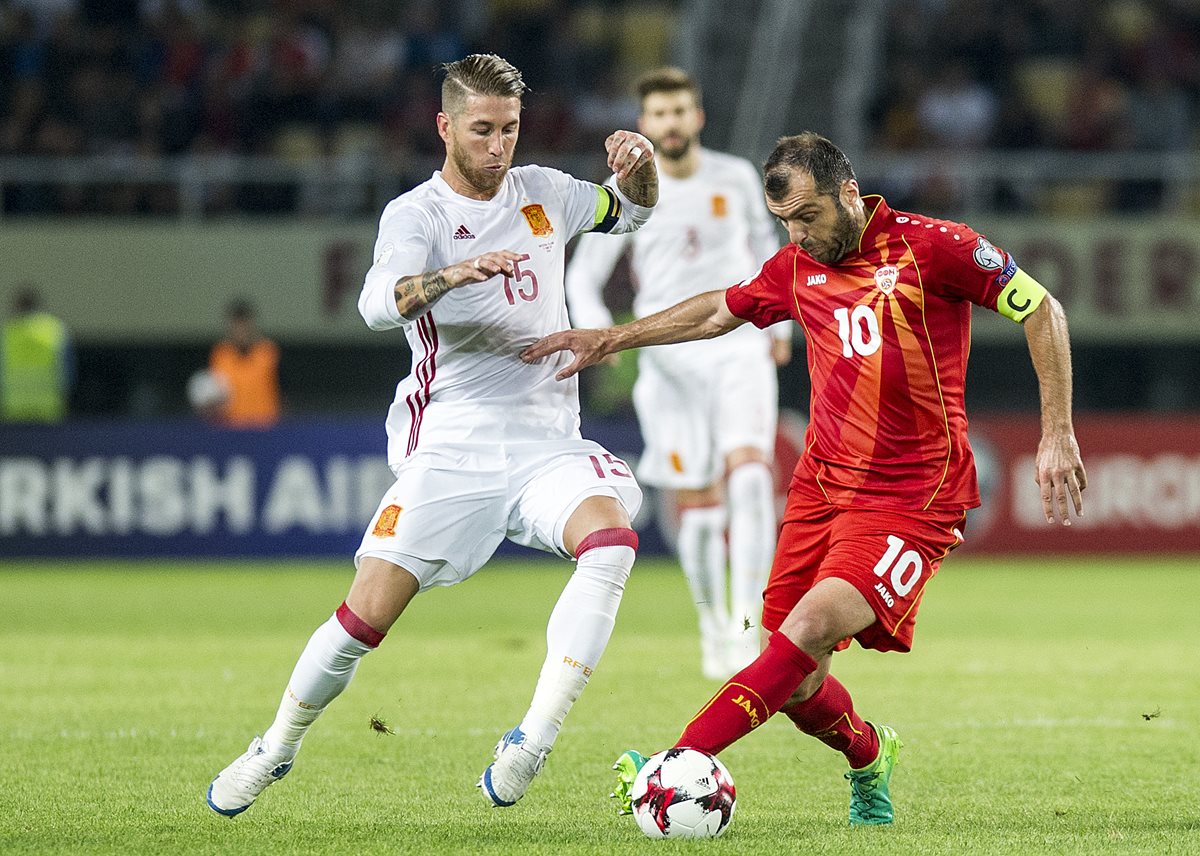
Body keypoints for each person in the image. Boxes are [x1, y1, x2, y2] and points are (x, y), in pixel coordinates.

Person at [522, 131, 1086, 826]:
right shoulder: (796, 267)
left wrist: (1056, 432)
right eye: (786, 222)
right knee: (793, 676)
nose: (799, 234)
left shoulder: (933, 246)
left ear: (849, 192)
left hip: (914, 497)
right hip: (822, 491)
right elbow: (717, 310)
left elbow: (1042, 309)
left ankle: (674, 762)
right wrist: (612, 336)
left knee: (811, 625)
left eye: (809, 217)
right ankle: (870, 753)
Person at [206, 53, 658, 816]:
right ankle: (275, 746)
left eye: (510, 128)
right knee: (360, 621)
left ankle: (531, 743)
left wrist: (640, 168)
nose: (498, 146)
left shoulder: (546, 191)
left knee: (611, 544)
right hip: (453, 445)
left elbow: (632, 210)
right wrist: (455, 274)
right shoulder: (415, 215)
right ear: (445, 126)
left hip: (548, 440)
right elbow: (378, 303)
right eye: (483, 129)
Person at [565, 67, 791, 680]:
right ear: (644, 125)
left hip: (738, 341)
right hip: (668, 356)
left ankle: (750, 624)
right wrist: (597, 332)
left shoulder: (737, 176)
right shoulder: (627, 190)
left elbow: (768, 250)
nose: (670, 123)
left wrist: (778, 327)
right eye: (658, 114)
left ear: (697, 118)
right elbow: (584, 274)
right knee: (698, 497)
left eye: (679, 111)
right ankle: (713, 624)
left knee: (749, 477)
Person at [1, 286, 73, 423]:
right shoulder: (55, 330)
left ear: (17, 307)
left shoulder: (6, 334)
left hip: (13, 410)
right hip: (49, 410)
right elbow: (68, 373)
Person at [207, 298, 281, 427]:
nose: (241, 331)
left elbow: (284, 390)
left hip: (265, 427)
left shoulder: (268, 352)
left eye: (244, 325)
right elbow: (213, 394)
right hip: (230, 427)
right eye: (236, 325)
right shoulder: (220, 354)